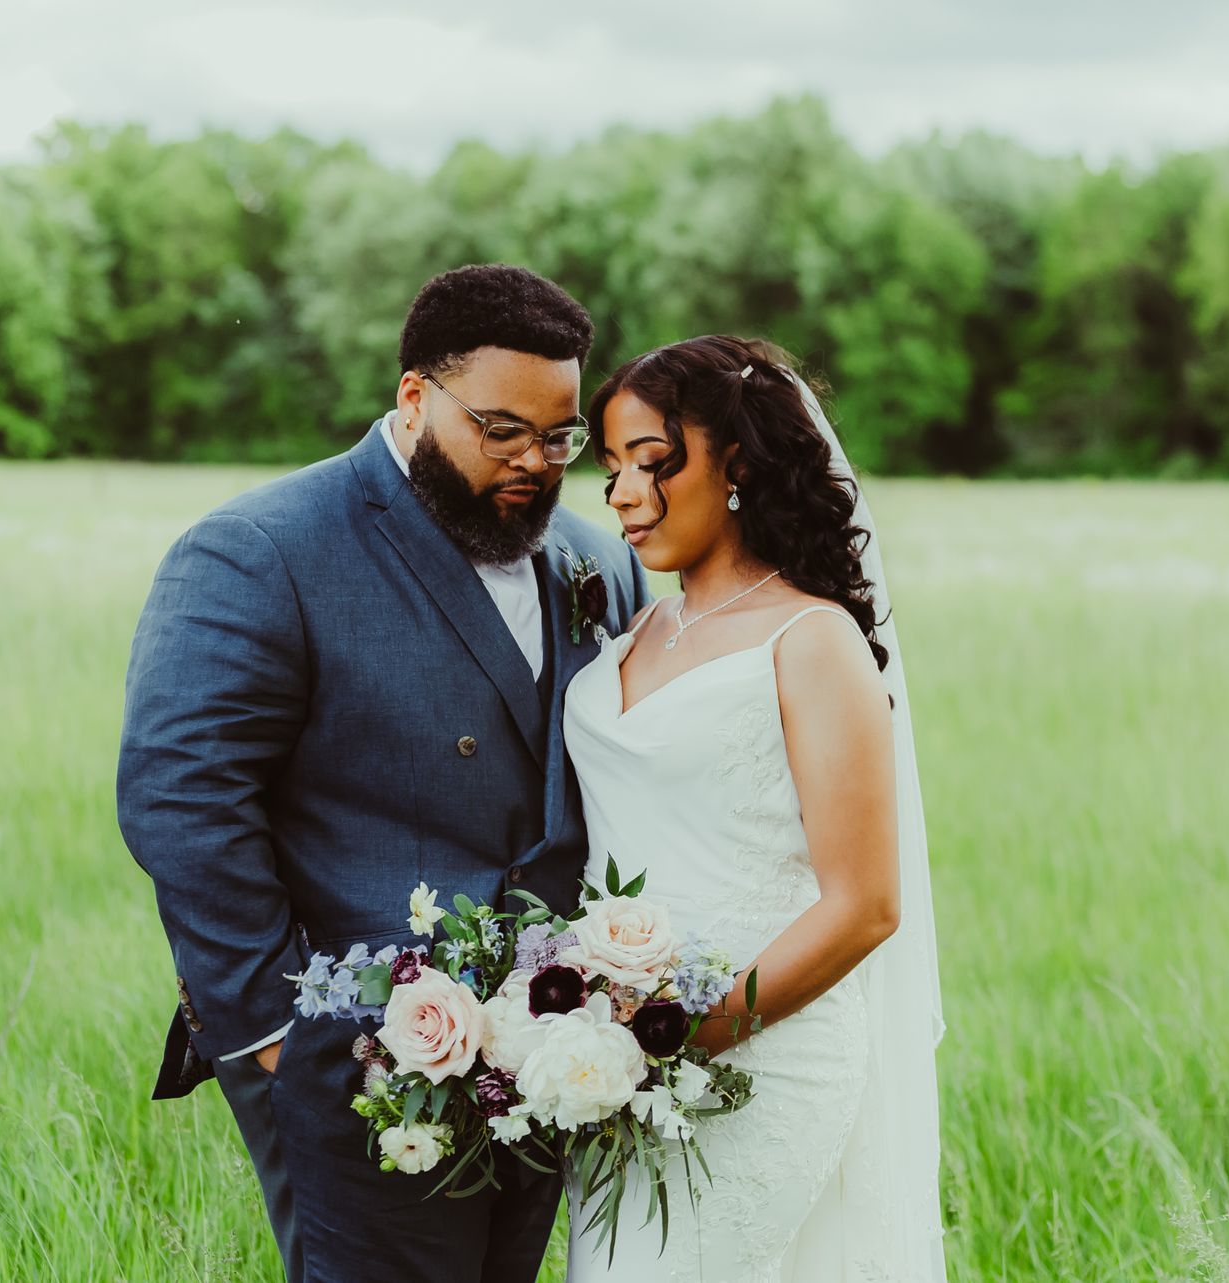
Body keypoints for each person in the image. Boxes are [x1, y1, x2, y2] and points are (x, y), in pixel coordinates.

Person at [117, 264, 649, 1282]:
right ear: (415, 396)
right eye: (503, 430)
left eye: (560, 435)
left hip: (553, 1049)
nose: (536, 462)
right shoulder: (258, 549)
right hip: (354, 1048)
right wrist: (280, 1034)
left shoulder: (597, 559)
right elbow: (178, 794)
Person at [563, 336, 947, 1281]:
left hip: (757, 1054)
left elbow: (866, 904)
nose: (619, 494)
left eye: (653, 463)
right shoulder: (636, 626)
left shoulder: (812, 639)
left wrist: (684, 1032)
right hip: (606, 1062)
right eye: (611, 467)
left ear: (736, 466)